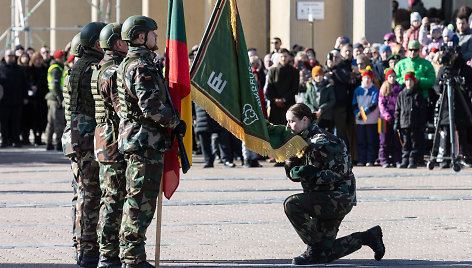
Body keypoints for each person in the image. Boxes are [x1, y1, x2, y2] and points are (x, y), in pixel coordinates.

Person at [117, 15, 186, 267]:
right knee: (140, 203)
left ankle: (131, 255)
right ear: (141, 37)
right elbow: (150, 106)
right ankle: (133, 259)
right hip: (145, 141)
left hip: (140, 140)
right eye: (153, 33)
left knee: (136, 200)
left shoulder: (133, 63)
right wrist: (174, 122)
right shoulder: (140, 66)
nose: (157, 37)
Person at [283, 103, 385, 265]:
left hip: (337, 198)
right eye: (287, 122)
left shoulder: (323, 142)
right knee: (324, 254)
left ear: (304, 120)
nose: (288, 126)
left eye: (291, 121)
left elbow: (341, 172)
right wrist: (292, 165)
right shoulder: (302, 141)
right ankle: (367, 237)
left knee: (292, 204)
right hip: (323, 197)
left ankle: (314, 249)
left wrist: (308, 174)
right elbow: (297, 172)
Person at [62, 22, 106, 267]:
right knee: (91, 195)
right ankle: (88, 250)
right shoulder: (91, 69)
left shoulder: (76, 68)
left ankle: (80, 244)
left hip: (75, 136)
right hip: (87, 137)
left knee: (80, 194)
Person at [91, 22, 128, 268]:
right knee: (114, 198)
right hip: (113, 138)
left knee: (111, 196)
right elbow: (121, 108)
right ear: (117, 43)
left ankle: (108, 251)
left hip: (104, 136)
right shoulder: (112, 71)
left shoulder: (100, 67)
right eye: (125, 40)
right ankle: (108, 254)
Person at [394, 71, 427, 168]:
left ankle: (413, 161)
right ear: (404, 82)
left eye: (411, 80)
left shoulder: (418, 93)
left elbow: (422, 110)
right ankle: (405, 160)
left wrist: (422, 123)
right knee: (405, 143)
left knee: (414, 143)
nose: (409, 82)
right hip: (404, 123)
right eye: (407, 80)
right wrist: (397, 122)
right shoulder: (401, 94)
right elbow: (398, 109)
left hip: (415, 123)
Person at [0, 49, 28, 148]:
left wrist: (25, 97)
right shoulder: (1, 67)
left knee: (16, 122)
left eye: (12, 56)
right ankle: (5, 140)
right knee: (4, 123)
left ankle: (16, 140)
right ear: (5, 56)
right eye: (9, 55)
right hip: (3, 101)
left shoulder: (19, 69)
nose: (11, 57)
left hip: (17, 100)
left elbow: (25, 84)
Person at [352, 68, 379, 166]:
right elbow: (354, 104)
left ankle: (370, 160)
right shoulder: (357, 90)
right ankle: (361, 159)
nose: (367, 80)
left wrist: (363, 113)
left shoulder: (375, 90)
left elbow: (374, 104)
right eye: (365, 78)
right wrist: (357, 113)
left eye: (369, 78)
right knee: (361, 141)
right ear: (362, 79)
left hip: (371, 120)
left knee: (371, 141)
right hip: (360, 121)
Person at [265, 48, 299, 125]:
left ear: (289, 57)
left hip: (289, 104)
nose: (283, 58)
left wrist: (283, 99)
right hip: (275, 105)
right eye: (281, 56)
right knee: (275, 126)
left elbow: (294, 89)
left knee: (288, 126)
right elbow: (270, 88)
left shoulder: (294, 71)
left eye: (285, 56)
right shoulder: (272, 71)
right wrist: (276, 100)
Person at [378, 68, 403, 168]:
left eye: (393, 76)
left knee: (396, 140)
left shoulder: (399, 88)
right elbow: (381, 104)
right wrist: (387, 115)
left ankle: (396, 159)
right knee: (383, 140)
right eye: (390, 76)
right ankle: (384, 160)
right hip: (383, 119)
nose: (392, 78)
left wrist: (396, 115)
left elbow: (400, 103)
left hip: (396, 118)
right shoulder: (383, 88)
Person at [45, 50, 66, 151]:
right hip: (55, 99)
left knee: (51, 122)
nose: (63, 59)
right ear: (57, 58)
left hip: (52, 98)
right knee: (57, 122)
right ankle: (57, 143)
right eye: (61, 57)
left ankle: (48, 142)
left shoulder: (56, 67)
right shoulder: (56, 69)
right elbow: (55, 86)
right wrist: (60, 99)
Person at [303, 66, 335, 132]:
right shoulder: (310, 87)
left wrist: (322, 109)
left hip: (326, 116)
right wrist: (313, 110)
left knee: (326, 135)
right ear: (313, 77)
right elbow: (306, 100)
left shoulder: (328, 86)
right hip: (313, 117)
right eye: (316, 75)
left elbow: (332, 100)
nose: (319, 77)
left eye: (320, 75)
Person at [28, 52, 49, 146]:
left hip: (43, 96)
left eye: (40, 58)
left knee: (43, 118)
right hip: (34, 98)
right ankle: (36, 137)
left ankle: (40, 136)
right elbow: (27, 81)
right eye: (37, 58)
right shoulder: (30, 69)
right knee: (34, 118)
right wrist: (31, 86)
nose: (39, 60)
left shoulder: (45, 69)